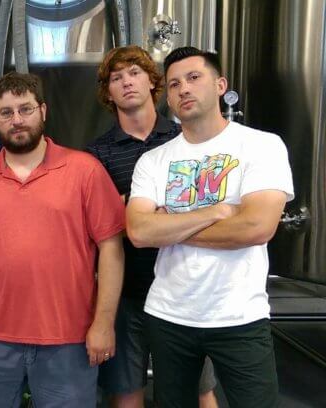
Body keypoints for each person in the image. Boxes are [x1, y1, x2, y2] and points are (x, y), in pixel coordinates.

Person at [126, 46, 294, 408]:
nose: (183, 89)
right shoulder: (153, 160)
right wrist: (216, 212)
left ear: (220, 85)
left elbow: (256, 227)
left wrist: (169, 225)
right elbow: (139, 232)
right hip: (168, 315)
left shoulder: (262, 146)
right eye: (174, 84)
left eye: (193, 77)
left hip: (239, 316)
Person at [0, 72, 125, 407]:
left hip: (69, 337)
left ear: (42, 110)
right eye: (6, 112)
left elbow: (111, 248)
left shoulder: (84, 170)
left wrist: (103, 323)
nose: (17, 120)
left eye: (25, 109)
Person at [87, 45, 218, 408]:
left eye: (135, 73)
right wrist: (146, 214)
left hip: (185, 289)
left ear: (152, 82)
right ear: (108, 92)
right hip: (126, 293)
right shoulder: (97, 154)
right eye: (117, 78)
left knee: (199, 391)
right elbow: (100, 224)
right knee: (126, 391)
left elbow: (205, 207)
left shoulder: (185, 140)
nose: (127, 82)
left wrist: (135, 210)